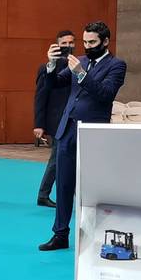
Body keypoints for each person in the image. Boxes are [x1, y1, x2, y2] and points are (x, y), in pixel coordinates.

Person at [39, 21, 126, 252]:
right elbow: (56, 84)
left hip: (94, 133)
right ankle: (60, 234)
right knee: (63, 185)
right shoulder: (81, 60)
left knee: (92, 188)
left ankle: (94, 234)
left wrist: (80, 73)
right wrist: (51, 65)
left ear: (105, 41)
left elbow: (105, 94)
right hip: (67, 130)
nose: (87, 47)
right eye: (85, 42)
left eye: (92, 42)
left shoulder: (117, 65)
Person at [34, 29, 75, 208]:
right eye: (64, 43)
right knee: (57, 159)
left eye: (71, 42)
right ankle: (43, 194)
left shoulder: (78, 65)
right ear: (57, 45)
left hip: (74, 120)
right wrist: (39, 124)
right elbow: (40, 97)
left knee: (64, 159)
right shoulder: (46, 68)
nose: (68, 46)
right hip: (57, 121)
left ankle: (46, 194)